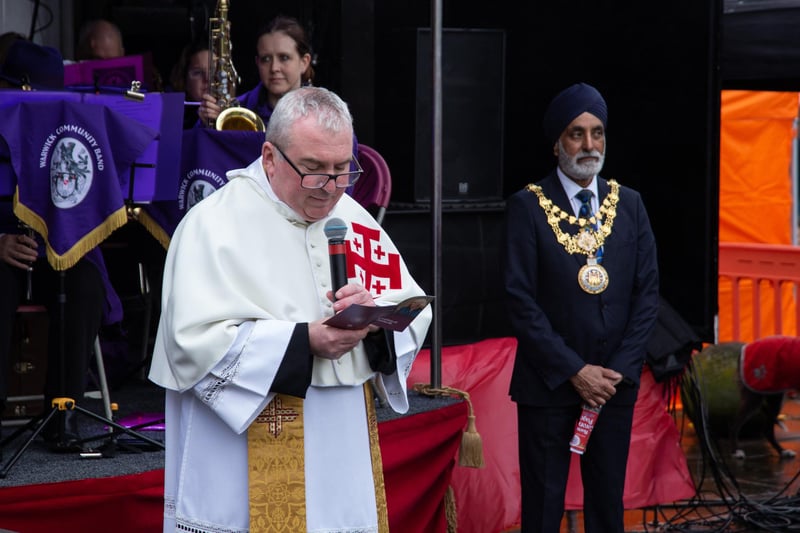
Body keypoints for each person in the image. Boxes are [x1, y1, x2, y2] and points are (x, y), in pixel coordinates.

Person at [148, 86, 431, 532]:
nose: (331, 187)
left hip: (339, 443)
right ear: (269, 157)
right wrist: (304, 341)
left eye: (343, 169)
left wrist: (374, 319)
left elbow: (409, 307)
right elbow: (191, 343)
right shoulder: (213, 225)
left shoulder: (354, 219)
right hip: (242, 441)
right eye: (314, 170)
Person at [503, 82, 660, 532]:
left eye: (598, 133)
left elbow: (647, 296)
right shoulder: (527, 206)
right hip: (550, 384)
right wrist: (576, 371)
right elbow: (519, 300)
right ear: (557, 143)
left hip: (613, 386)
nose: (589, 145)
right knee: (544, 506)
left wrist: (615, 373)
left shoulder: (629, 204)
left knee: (609, 506)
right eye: (576, 133)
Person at [0, 39, 116, 452]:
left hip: (55, 248)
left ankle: (62, 412)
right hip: (2, 249)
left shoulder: (69, 126)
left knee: (84, 286)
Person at [198, 14, 313, 128]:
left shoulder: (325, 113)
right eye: (266, 59)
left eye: (284, 58)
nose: (274, 68)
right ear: (257, 62)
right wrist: (207, 126)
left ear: (304, 62)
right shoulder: (235, 110)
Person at [168, 40, 210, 128]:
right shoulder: (174, 122)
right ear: (184, 80)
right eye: (198, 72)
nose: (207, 79)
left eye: (214, 71)